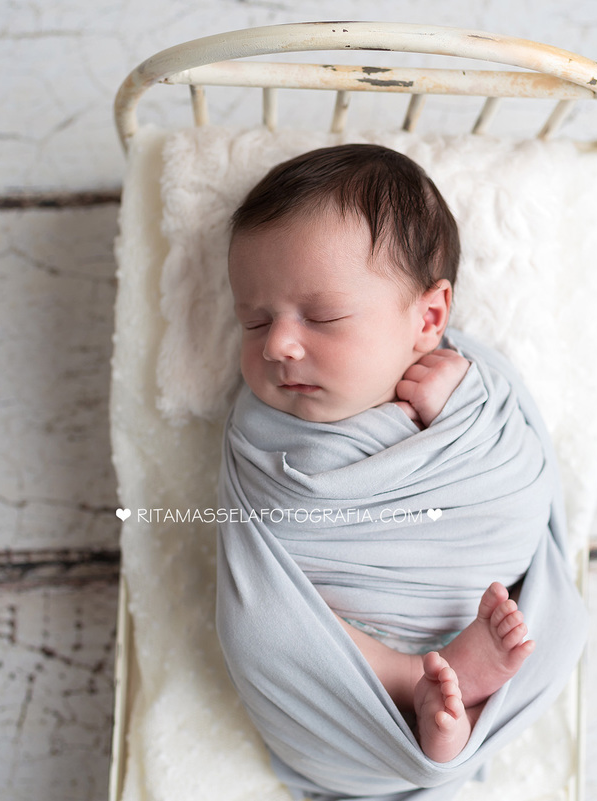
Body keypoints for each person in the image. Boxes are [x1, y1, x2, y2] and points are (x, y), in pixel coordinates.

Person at [225, 143, 538, 765]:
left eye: (322, 317)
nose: (277, 345)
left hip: (453, 601)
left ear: (428, 318)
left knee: (535, 624)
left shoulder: (465, 385)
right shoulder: (261, 427)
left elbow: (516, 478)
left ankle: (453, 716)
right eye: (254, 322)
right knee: (256, 625)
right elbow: (257, 536)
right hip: (336, 637)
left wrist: (463, 403)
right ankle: (418, 685)